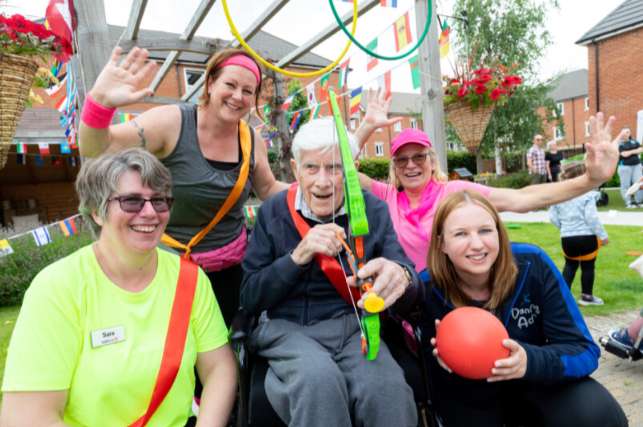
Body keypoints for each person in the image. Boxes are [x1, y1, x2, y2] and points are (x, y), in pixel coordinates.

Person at [1, 149, 236, 426]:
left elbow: (220, 368)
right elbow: (26, 417)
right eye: (131, 201)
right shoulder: (57, 288)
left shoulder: (191, 280)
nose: (149, 212)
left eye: (159, 201)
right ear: (96, 212)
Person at [79, 46, 287, 326]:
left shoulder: (251, 139)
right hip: (167, 269)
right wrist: (99, 103)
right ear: (211, 83)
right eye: (231, 84)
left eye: (248, 91)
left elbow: (269, 188)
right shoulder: (171, 122)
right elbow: (97, 148)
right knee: (172, 353)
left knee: (224, 350)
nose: (238, 96)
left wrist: (319, 188)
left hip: (230, 270)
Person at [240, 119, 419, 427]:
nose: (322, 182)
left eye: (334, 168)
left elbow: (410, 283)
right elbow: (250, 297)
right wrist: (297, 256)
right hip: (287, 326)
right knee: (318, 383)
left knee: (387, 391)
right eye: (311, 168)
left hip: (353, 328)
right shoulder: (273, 212)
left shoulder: (372, 210)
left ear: (352, 168)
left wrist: (401, 277)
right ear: (296, 169)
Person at [421, 190, 627, 427]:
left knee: (597, 413)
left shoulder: (533, 264)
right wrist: (441, 359)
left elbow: (584, 350)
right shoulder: (427, 288)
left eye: (486, 230)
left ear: (499, 233)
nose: (477, 244)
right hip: (469, 396)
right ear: (442, 243)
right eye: (460, 234)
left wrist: (528, 361)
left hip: (536, 383)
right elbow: (419, 369)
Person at [355, 91, 622, 272]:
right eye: (402, 160)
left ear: (432, 161)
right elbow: (340, 170)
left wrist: (589, 180)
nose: (411, 165)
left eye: (419, 157)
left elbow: (523, 198)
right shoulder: (383, 195)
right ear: (394, 167)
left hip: (452, 298)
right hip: (405, 302)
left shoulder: (454, 193)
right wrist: (366, 128)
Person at [549, 162, 608, 306]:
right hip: (586, 237)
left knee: (570, 265)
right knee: (588, 266)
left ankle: (562, 298)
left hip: (567, 238)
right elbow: (592, 218)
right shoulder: (587, 195)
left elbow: (552, 217)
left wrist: (564, 228)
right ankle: (587, 297)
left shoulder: (558, 195)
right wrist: (603, 235)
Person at [617, 128, 643, 208]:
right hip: (625, 167)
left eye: (628, 132)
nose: (627, 133)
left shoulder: (634, 141)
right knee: (625, 185)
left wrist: (630, 152)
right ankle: (628, 203)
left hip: (637, 166)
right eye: (625, 132)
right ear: (622, 133)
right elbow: (623, 154)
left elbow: (641, 149)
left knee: (639, 184)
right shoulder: (619, 144)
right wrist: (635, 150)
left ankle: (639, 201)